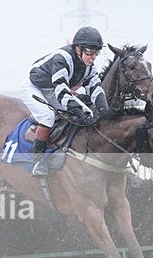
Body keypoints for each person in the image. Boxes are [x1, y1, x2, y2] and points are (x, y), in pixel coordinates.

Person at [20, 26, 110, 177]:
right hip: (34, 88)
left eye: (96, 53)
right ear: (78, 49)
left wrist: (106, 111)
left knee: (88, 111)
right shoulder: (62, 58)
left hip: (52, 90)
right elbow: (62, 92)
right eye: (89, 52)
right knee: (48, 117)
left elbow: (95, 89)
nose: (93, 57)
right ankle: (37, 162)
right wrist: (82, 115)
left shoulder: (89, 66)